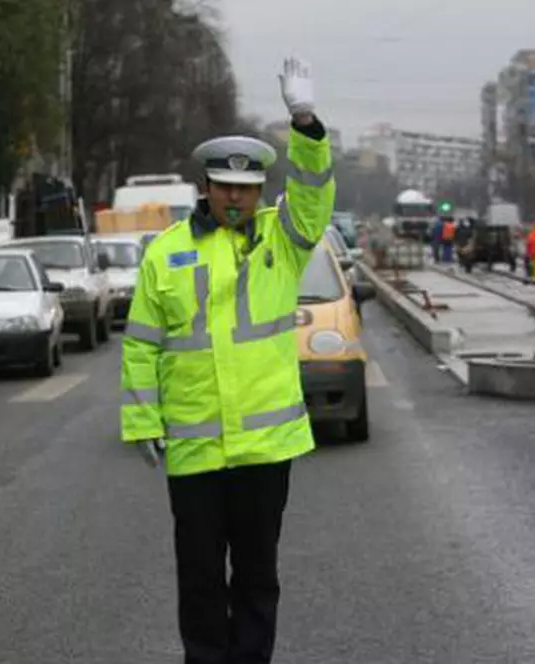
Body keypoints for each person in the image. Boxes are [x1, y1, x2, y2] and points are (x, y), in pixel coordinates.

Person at [120, 56, 334, 664]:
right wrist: (142, 421)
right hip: (194, 450)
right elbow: (140, 343)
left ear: (259, 191)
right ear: (206, 189)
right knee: (200, 580)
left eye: (247, 189)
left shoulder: (282, 240)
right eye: (225, 188)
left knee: (258, 578)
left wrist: (306, 122)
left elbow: (315, 198)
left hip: (265, 450)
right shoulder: (166, 252)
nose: (236, 198)